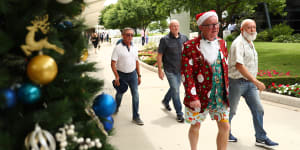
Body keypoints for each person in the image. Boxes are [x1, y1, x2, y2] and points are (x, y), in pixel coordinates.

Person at [181, 10, 230, 150]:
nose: (215, 28)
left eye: (216, 24)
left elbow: (224, 69)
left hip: (219, 94)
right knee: (196, 125)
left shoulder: (222, 43)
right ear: (201, 27)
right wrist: (192, 96)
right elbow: (187, 74)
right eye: (210, 25)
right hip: (199, 95)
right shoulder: (189, 46)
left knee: (225, 126)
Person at [228, 19, 279, 148]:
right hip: (236, 82)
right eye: (249, 28)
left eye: (254, 27)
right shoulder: (238, 43)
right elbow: (239, 66)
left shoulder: (250, 42)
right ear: (242, 30)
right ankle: (225, 132)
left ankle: (260, 138)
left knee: (258, 109)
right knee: (231, 111)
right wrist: (256, 81)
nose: (252, 30)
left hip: (249, 84)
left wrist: (253, 80)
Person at [157, 19, 188, 123]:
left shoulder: (184, 38)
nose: (176, 28)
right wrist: (160, 70)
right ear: (170, 28)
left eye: (177, 26)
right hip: (169, 69)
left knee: (175, 88)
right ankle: (179, 113)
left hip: (180, 69)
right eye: (173, 26)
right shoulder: (164, 40)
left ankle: (165, 101)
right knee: (176, 90)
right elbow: (160, 55)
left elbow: (188, 52)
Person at [111, 27, 144, 126]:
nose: (130, 37)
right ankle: (116, 107)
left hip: (133, 74)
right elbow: (113, 63)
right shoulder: (118, 48)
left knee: (136, 95)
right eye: (128, 35)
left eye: (132, 35)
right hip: (121, 75)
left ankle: (136, 116)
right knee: (120, 94)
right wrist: (117, 77)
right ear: (123, 35)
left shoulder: (134, 47)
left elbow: (136, 62)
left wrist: (139, 75)